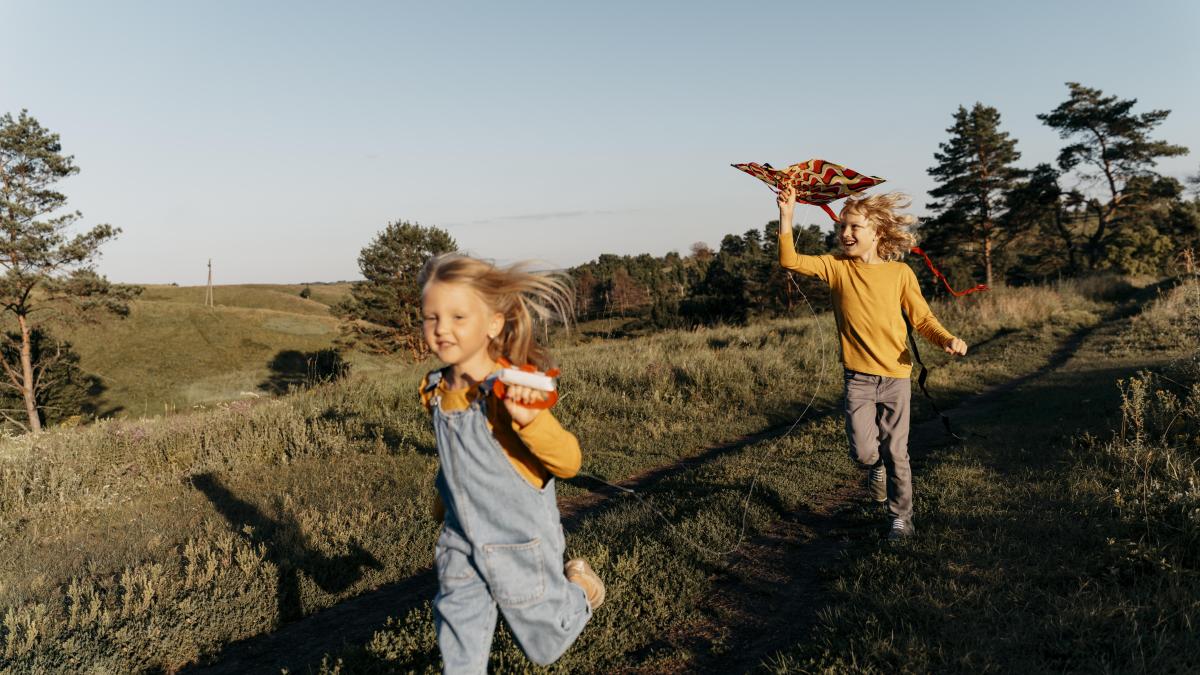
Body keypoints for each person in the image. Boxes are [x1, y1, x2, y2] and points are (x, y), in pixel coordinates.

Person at [417, 252, 604, 672]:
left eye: (457, 317)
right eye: (431, 317)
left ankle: (580, 592)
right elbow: (457, 460)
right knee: (458, 636)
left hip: (518, 541)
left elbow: (569, 463)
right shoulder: (435, 389)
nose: (442, 328)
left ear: (494, 323)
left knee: (544, 644)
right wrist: (443, 501)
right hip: (460, 541)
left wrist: (531, 420)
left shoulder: (510, 389)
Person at [775, 184, 968, 540]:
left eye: (854, 227)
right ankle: (873, 468)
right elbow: (790, 260)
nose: (844, 233)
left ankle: (901, 517)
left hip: (896, 376)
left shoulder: (900, 274)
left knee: (898, 450)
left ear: (877, 232)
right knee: (864, 452)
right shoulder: (836, 268)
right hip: (858, 379)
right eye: (842, 226)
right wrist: (787, 214)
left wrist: (947, 339)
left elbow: (922, 319)